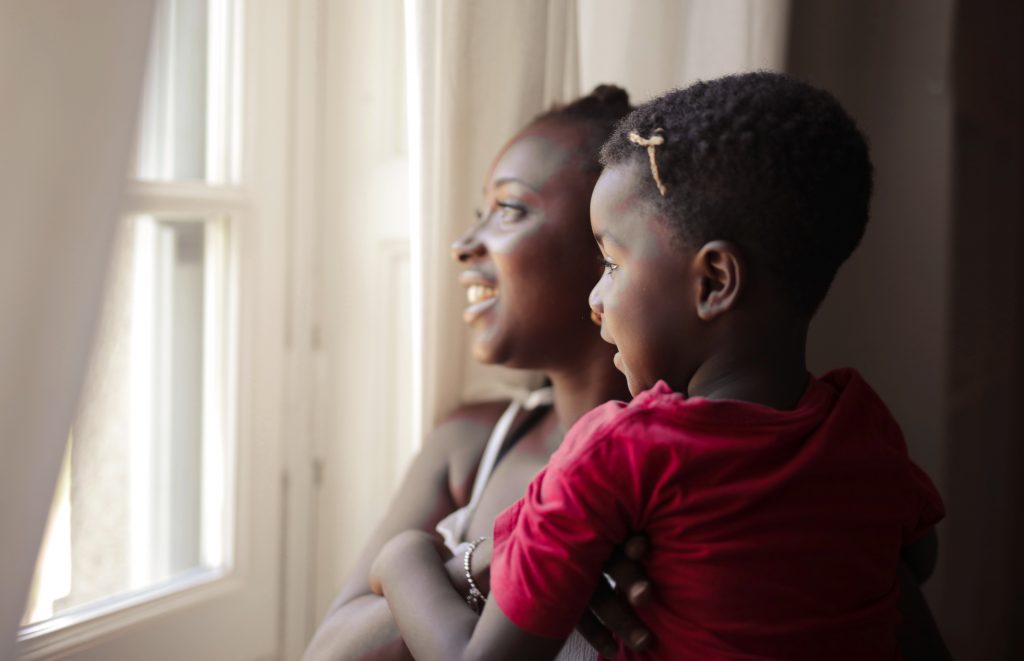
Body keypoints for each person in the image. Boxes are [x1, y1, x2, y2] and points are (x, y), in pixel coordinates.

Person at [368, 72, 946, 660]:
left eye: (611, 264)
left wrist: (404, 558)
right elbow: (916, 562)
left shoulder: (618, 452)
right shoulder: (862, 425)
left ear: (714, 281)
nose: (595, 299)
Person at [303, 86, 652, 661]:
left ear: (608, 243)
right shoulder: (470, 444)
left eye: (509, 209)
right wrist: (504, 556)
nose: (464, 245)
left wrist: (414, 570)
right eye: (478, 215)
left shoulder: (687, 464)